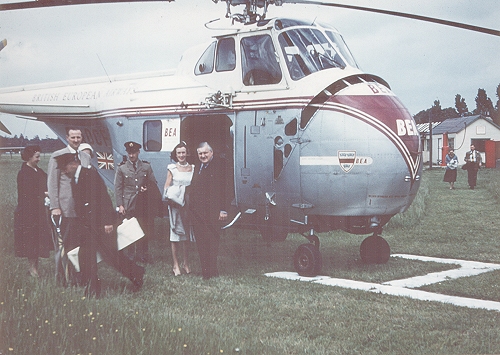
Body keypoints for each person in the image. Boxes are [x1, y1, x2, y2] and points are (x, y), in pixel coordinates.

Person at [55, 153, 144, 298]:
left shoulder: (90, 174)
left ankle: (136, 273)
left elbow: (103, 197)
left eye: (64, 168)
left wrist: (108, 222)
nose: (64, 172)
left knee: (111, 256)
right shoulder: (74, 180)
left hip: (101, 225)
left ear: (73, 164)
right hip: (87, 227)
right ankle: (92, 289)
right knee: (85, 257)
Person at [47, 127, 91, 284]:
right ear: (67, 137)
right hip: (65, 208)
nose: (76, 140)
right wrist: (55, 206)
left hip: (82, 210)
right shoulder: (57, 156)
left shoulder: (85, 157)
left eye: (79, 137)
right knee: (64, 244)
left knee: (80, 244)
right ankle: (62, 278)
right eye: (73, 137)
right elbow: (52, 183)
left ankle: (78, 275)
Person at [114, 141, 160, 263]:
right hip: (128, 203)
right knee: (129, 229)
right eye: (129, 153)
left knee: (143, 227)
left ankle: (143, 254)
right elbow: (118, 187)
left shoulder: (146, 166)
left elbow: (153, 182)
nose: (131, 155)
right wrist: (120, 205)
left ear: (138, 152)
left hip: (142, 203)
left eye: (134, 153)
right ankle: (130, 254)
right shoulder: (122, 168)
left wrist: (147, 188)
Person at [189, 142, 228, 279]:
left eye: (205, 153)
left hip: (214, 211)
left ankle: (213, 271)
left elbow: (225, 190)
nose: (203, 156)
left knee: (212, 241)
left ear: (211, 153)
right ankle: (205, 271)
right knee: (201, 242)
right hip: (198, 213)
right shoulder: (197, 167)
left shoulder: (220, 167)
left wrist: (223, 209)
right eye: (200, 153)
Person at [14, 145, 52, 277]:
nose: (39, 159)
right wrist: (45, 194)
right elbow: (28, 194)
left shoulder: (38, 171)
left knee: (37, 240)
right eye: (37, 156)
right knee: (31, 241)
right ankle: (32, 269)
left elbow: (49, 181)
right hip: (27, 213)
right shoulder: (24, 173)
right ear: (29, 157)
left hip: (38, 212)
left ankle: (35, 268)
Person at [163, 142, 194, 276]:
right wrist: (172, 197)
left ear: (187, 153)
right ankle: (175, 264)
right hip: (176, 204)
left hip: (188, 205)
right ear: (175, 154)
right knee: (175, 234)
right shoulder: (172, 168)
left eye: (183, 152)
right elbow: (166, 187)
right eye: (179, 153)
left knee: (186, 234)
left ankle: (186, 263)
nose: (181, 155)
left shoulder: (193, 168)